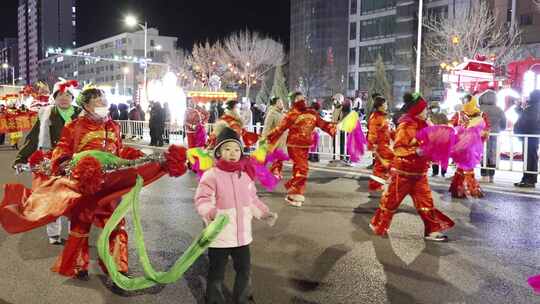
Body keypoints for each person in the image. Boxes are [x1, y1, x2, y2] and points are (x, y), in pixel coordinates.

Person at [48, 87, 130, 279]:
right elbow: (61, 151)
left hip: (110, 185)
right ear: (86, 105)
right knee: (81, 225)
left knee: (116, 224)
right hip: (84, 184)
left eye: (104, 100)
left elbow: (120, 152)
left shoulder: (114, 126)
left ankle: (118, 265)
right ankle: (79, 265)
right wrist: (66, 164)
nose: (104, 104)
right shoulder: (73, 127)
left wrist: (139, 159)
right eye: (98, 101)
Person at [195, 127, 277, 304]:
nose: (232, 153)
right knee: (216, 272)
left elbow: (252, 200)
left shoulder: (244, 176)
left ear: (241, 152)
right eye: (227, 149)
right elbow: (202, 199)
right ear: (218, 152)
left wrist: (264, 213)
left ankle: (243, 299)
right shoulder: (211, 175)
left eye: (236, 149)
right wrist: (211, 212)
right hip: (220, 236)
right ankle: (214, 299)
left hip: (242, 237)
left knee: (245, 270)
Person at [370, 94, 455, 242]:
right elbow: (398, 148)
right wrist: (416, 151)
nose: (426, 112)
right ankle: (378, 224)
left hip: (420, 173)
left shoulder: (426, 124)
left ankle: (432, 231)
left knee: (426, 203)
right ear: (417, 111)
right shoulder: (406, 125)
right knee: (391, 202)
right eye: (423, 109)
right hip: (403, 173)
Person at [13, 79, 81, 245]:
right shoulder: (46, 113)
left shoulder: (81, 114)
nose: (64, 98)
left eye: (67, 95)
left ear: (72, 97)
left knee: (76, 198)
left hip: (77, 161)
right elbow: (33, 137)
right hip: (51, 161)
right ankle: (54, 235)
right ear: (54, 97)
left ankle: (76, 233)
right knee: (53, 197)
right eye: (60, 95)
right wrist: (21, 158)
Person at [266, 92, 337, 207]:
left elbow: (323, 124)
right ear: (294, 101)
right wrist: (268, 137)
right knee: (302, 168)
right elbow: (280, 128)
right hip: (294, 146)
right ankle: (294, 194)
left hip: (305, 146)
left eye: (303, 98)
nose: (302, 100)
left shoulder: (311, 113)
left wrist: (333, 128)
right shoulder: (292, 114)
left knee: (301, 169)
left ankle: (293, 192)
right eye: (299, 99)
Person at [449, 95, 490, 198]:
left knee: (465, 167)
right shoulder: (459, 114)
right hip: (460, 146)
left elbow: (486, 129)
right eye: (464, 102)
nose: (465, 104)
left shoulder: (481, 115)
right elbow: (451, 126)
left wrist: (482, 134)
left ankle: (460, 189)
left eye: (468, 101)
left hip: (473, 146)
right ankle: (469, 189)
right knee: (464, 167)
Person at [367, 96, 394, 197]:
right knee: (393, 162)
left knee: (380, 166)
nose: (387, 106)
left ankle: (375, 185)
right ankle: (389, 184)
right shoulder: (375, 117)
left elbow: (387, 131)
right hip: (381, 146)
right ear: (380, 106)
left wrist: (394, 135)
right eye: (385, 104)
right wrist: (372, 145)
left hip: (384, 145)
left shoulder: (382, 117)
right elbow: (372, 133)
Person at [514, 90, 540, 188]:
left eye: (530, 96)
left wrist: (522, 109)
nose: (528, 98)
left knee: (530, 158)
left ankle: (529, 180)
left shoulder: (535, 108)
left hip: (530, 136)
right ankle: (526, 178)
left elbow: (528, 120)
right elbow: (525, 117)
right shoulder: (534, 107)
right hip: (530, 136)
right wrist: (520, 108)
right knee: (529, 157)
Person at [479, 90, 506, 183]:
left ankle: (483, 175)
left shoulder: (479, 109)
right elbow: (504, 124)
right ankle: (491, 176)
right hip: (495, 135)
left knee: (483, 153)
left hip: (481, 135)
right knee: (492, 154)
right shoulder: (499, 109)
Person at [262, 97, 286, 179]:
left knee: (278, 156)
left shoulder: (282, 113)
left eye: (282, 102)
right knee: (268, 156)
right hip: (273, 139)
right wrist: (264, 138)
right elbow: (267, 127)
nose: (282, 103)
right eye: (280, 102)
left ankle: (276, 171)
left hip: (282, 139)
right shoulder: (272, 113)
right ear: (275, 104)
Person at [428, 101, 450, 177]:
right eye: (433, 108)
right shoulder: (429, 117)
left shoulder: (443, 116)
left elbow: (447, 125)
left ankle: (443, 172)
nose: (434, 109)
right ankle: (435, 171)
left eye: (435, 107)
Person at [331, 93, 351, 164]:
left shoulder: (344, 107)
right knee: (335, 143)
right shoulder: (335, 108)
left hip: (343, 129)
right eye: (333, 100)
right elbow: (334, 118)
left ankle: (345, 158)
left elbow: (345, 118)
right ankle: (335, 157)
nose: (334, 102)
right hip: (336, 128)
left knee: (344, 143)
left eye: (335, 100)